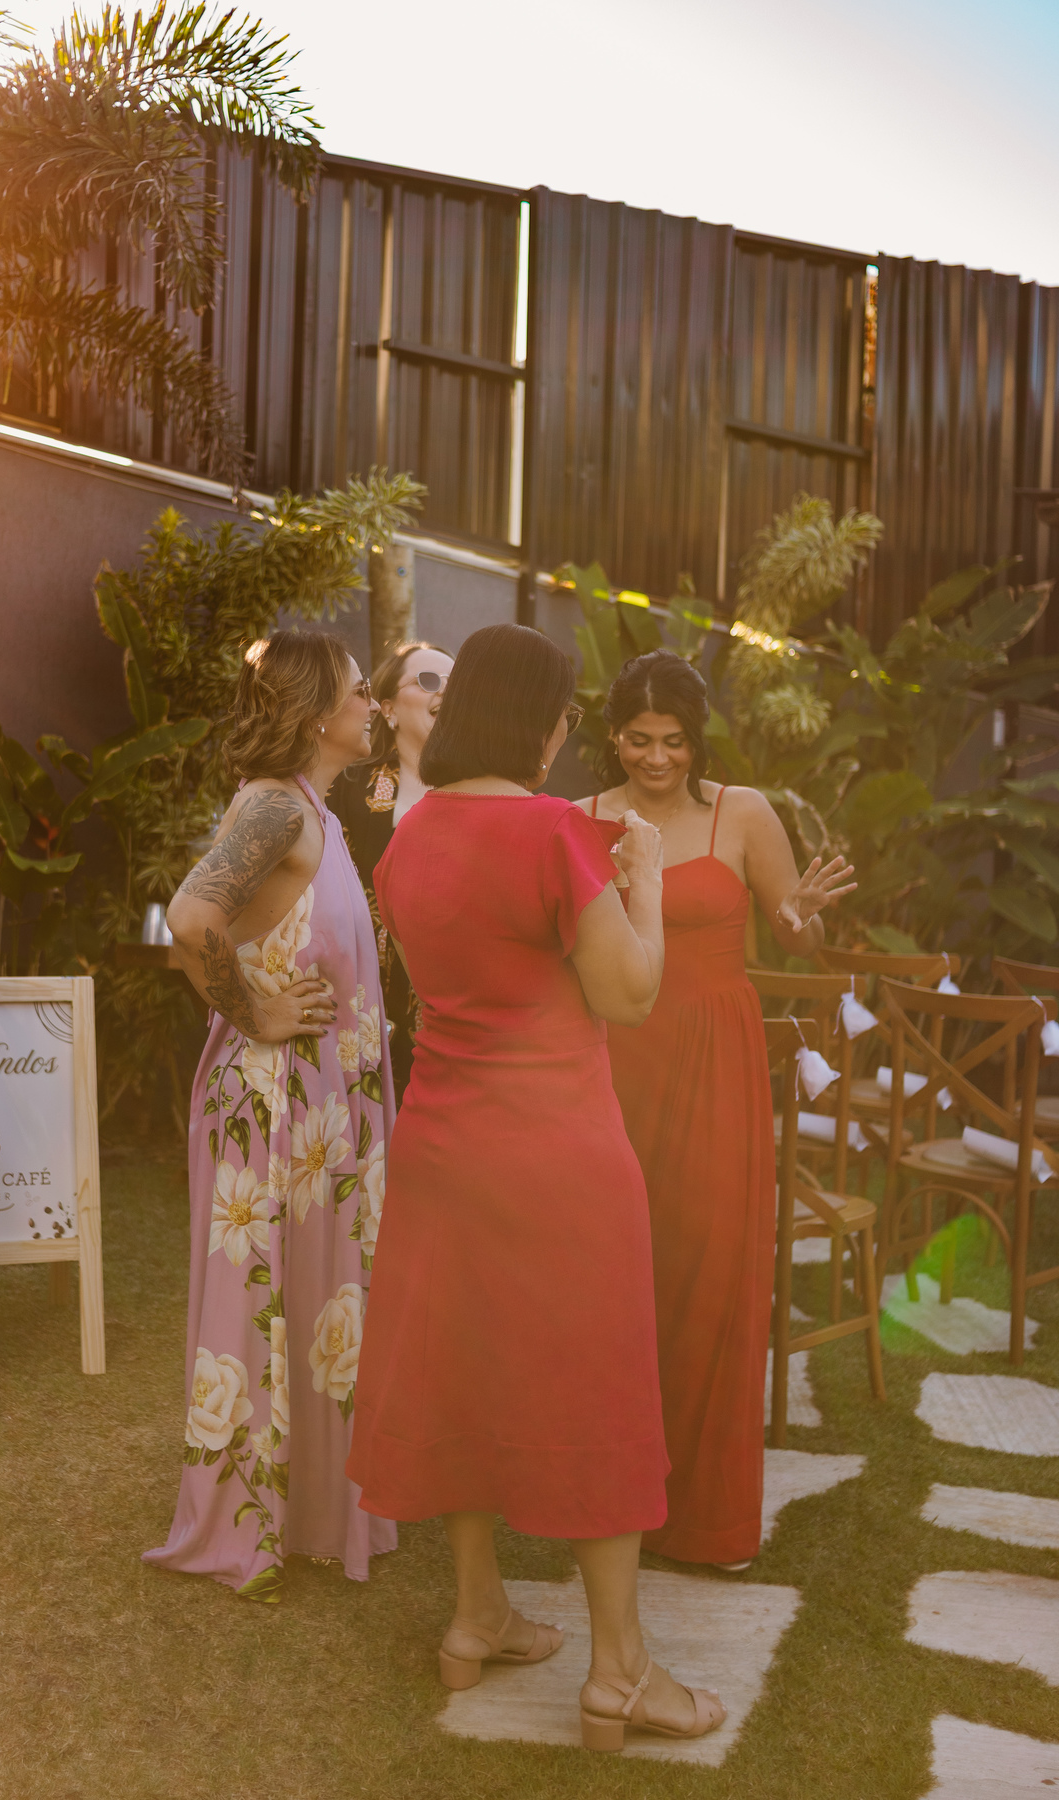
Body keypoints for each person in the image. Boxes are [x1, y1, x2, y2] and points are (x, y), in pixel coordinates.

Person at [348, 623, 726, 1752]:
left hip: (441, 1148)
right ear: (545, 723)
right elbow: (628, 994)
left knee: (463, 1374)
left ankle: (478, 1614)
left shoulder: (409, 837)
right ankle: (621, 1673)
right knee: (597, 1389)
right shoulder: (557, 832)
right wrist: (644, 881)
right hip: (557, 1154)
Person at [576, 650, 855, 1571]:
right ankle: (615, 1500)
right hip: (614, 1060)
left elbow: (799, 935)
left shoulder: (744, 813)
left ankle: (707, 1518)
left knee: (710, 1274)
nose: (657, 758)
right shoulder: (579, 819)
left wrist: (799, 919)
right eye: (639, 739)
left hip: (716, 1062)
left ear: (697, 739)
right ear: (613, 735)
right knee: (620, 1279)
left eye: (674, 741)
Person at [145, 631, 397, 1600]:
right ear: (318, 710)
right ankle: (250, 1522)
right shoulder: (275, 807)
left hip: (324, 1107)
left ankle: (318, 1513)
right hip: (275, 1100)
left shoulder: (316, 811)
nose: (373, 704)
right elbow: (191, 918)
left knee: (322, 1303)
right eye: (360, 690)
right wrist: (254, 1011)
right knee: (269, 1304)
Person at [328, 641, 454, 1103]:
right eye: (429, 681)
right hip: (357, 977)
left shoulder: (483, 789)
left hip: (447, 983)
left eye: (457, 684)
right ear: (388, 709)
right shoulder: (346, 786)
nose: (446, 692)